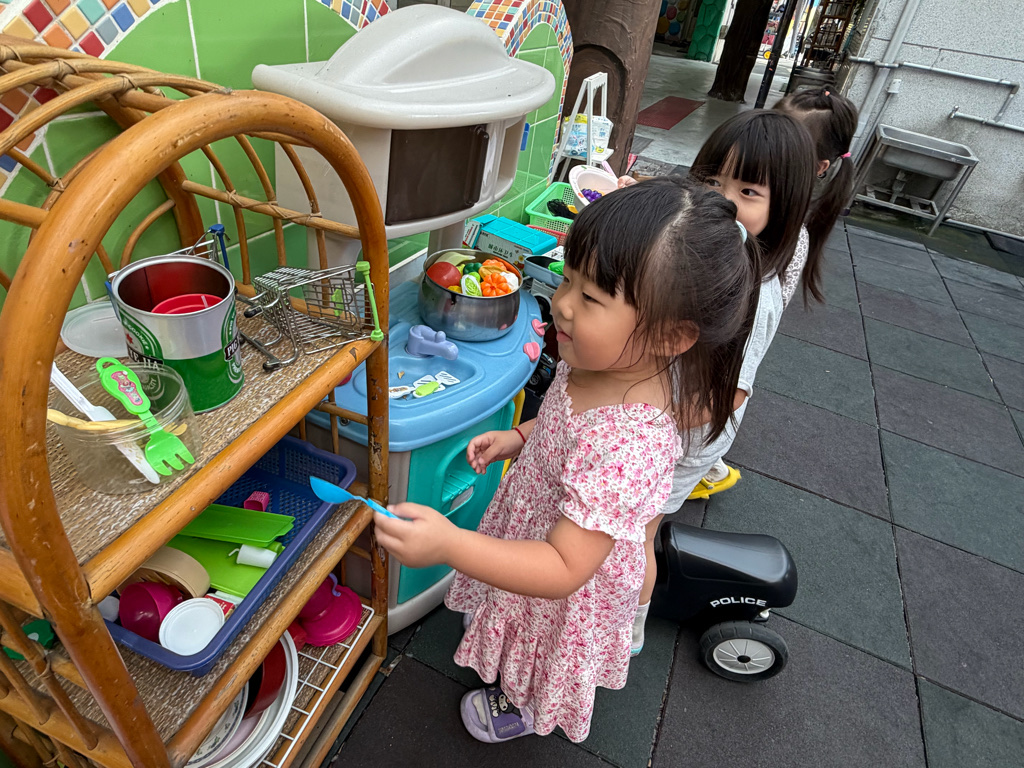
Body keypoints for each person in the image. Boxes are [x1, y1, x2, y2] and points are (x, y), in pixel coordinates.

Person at [374, 177, 756, 744]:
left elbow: (561, 568)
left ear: (671, 336)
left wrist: (449, 545)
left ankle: (525, 705)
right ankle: (511, 660)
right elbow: (564, 421)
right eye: (569, 277)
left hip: (563, 577)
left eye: (591, 297)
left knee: (542, 648)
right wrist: (521, 437)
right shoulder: (599, 362)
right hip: (540, 525)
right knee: (513, 611)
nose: (563, 303)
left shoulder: (629, 442)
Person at [629, 110, 816, 655]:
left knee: (636, 533)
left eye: (748, 191)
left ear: (782, 209)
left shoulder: (752, 295)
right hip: (660, 412)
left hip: (684, 434)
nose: (725, 201)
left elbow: (727, 396)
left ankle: (625, 628)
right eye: (712, 182)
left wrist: (642, 420)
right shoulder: (706, 256)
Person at [773, 87, 859, 305]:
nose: (762, 148)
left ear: (818, 167)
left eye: (781, 148)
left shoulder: (792, 241)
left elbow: (769, 311)